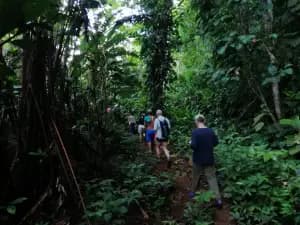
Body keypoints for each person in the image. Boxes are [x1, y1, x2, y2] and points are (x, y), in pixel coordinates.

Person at [190, 114, 222, 208]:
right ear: (204, 121)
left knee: (195, 176)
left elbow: (194, 146)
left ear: (197, 121)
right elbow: (216, 143)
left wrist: (190, 143)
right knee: (212, 179)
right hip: (209, 158)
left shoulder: (195, 132)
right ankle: (218, 200)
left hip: (198, 159)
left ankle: (192, 193)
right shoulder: (210, 131)